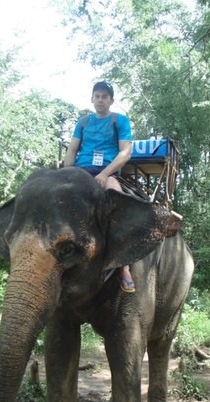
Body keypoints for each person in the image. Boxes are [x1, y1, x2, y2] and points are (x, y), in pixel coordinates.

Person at [64, 81, 136, 293]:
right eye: (97, 96)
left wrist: (105, 174)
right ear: (92, 99)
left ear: (111, 100)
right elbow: (72, 150)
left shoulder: (120, 121)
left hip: (108, 172)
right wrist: (67, 171)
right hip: (81, 172)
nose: (101, 100)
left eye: (105, 96)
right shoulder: (84, 122)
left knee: (118, 204)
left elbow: (125, 152)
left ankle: (125, 267)